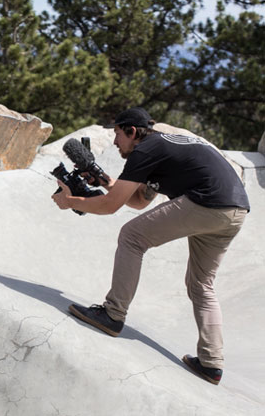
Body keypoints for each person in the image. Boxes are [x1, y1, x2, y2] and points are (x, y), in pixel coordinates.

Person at [52, 107, 250, 385]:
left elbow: (111, 207)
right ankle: (211, 363)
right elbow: (140, 201)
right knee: (201, 284)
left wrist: (70, 201)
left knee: (132, 237)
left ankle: (112, 314)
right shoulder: (160, 146)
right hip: (235, 210)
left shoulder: (145, 150)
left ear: (132, 132)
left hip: (207, 202)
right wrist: (107, 181)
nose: (114, 142)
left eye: (118, 134)